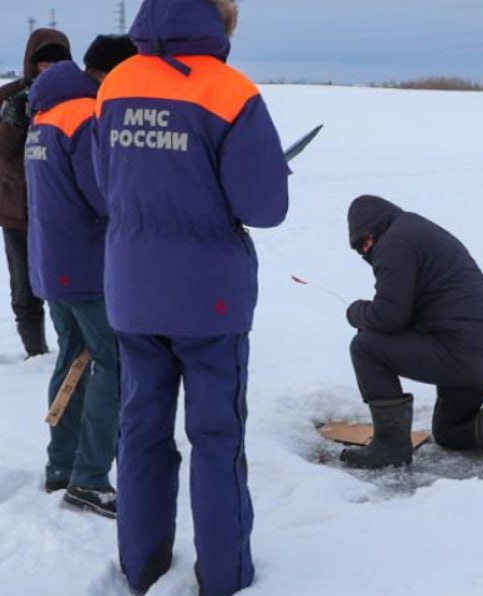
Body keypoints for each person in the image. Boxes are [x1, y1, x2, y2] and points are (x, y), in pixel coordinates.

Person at [92, 1, 289, 594]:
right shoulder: (231, 92)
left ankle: (140, 566)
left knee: (141, 433)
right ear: (221, 22)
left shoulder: (117, 83)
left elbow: (108, 183)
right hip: (210, 301)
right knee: (216, 439)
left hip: (131, 288)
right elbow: (264, 207)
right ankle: (224, 576)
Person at [341, 195, 483, 469]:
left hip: (460, 352)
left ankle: (390, 448)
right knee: (450, 432)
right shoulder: (417, 231)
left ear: (375, 227)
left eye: (365, 241)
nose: (366, 251)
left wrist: (355, 312)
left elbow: (389, 316)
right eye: (359, 249)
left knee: (366, 346)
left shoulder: (394, 242)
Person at [24, 35, 137, 518]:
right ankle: (90, 478)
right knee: (112, 362)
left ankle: (61, 467)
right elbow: (101, 195)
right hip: (87, 266)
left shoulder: (44, 114)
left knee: (73, 356)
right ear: (111, 73)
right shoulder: (85, 116)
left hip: (51, 263)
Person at [0, 28, 71, 358]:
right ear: (30, 63)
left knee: (67, 283)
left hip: (63, 208)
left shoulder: (76, 97)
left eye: (55, 62)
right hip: (16, 208)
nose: (47, 68)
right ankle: (36, 354)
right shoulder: (7, 95)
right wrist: (12, 121)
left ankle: (73, 350)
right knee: (23, 289)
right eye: (41, 62)